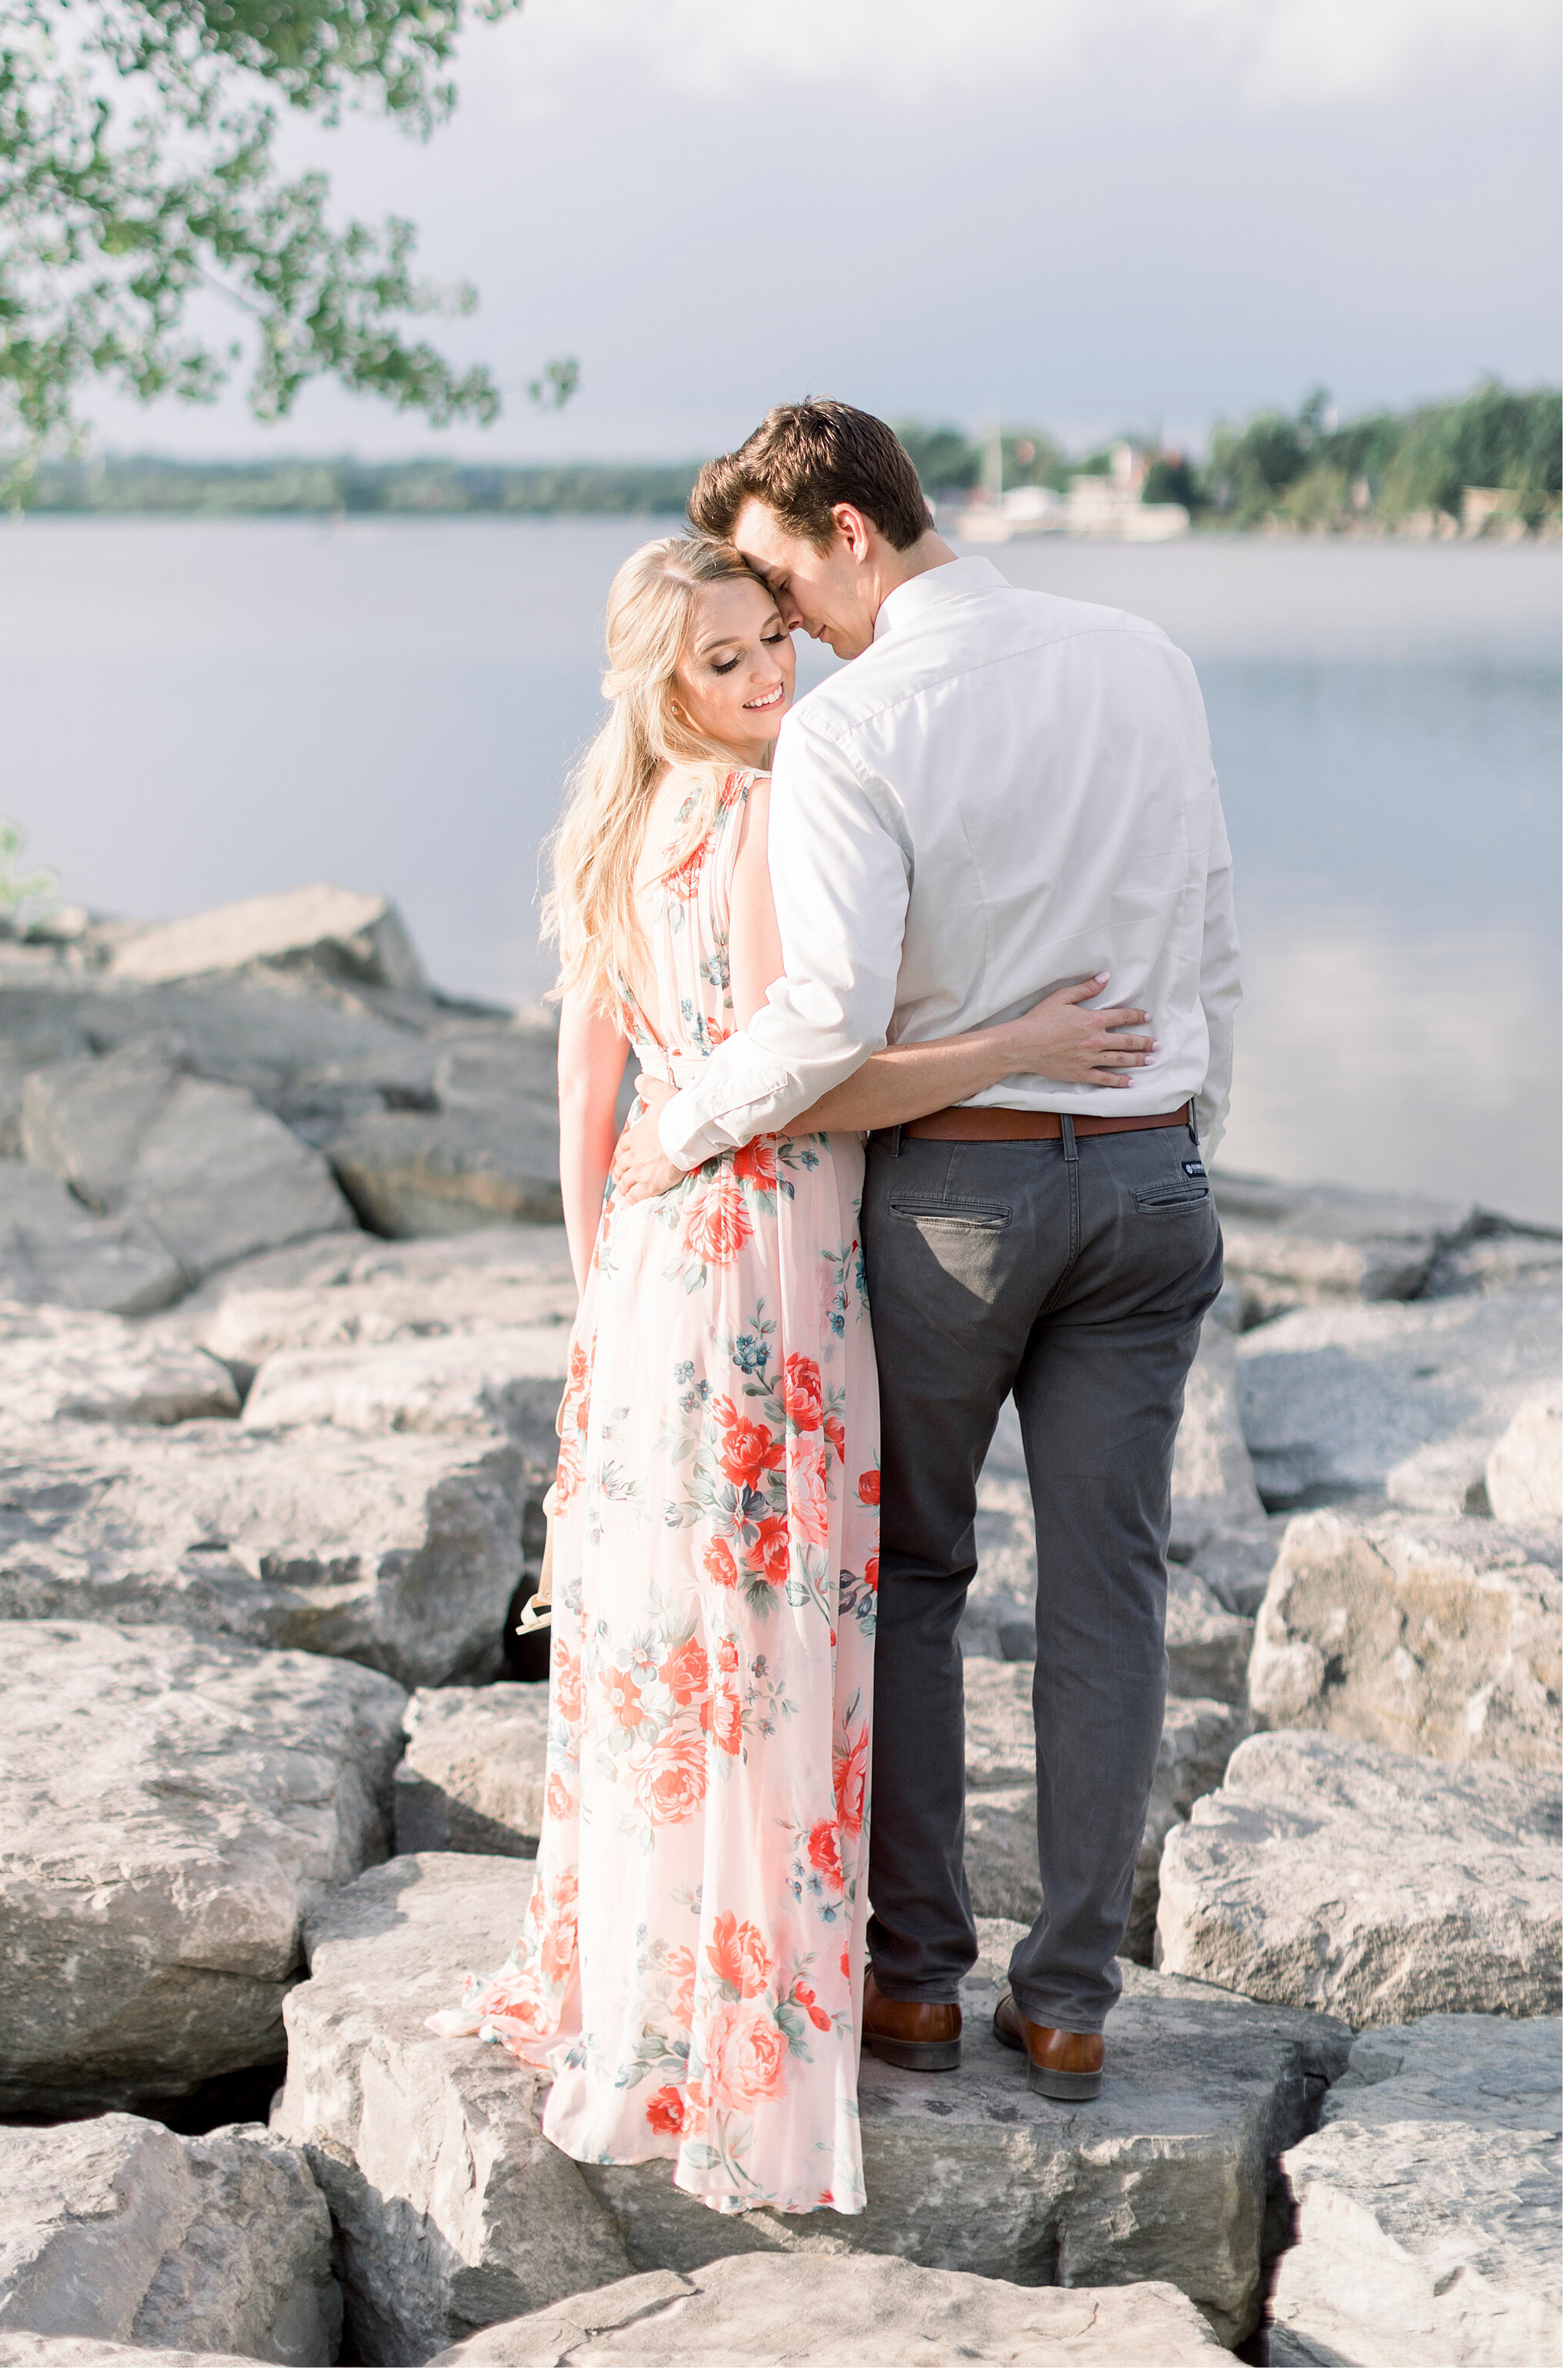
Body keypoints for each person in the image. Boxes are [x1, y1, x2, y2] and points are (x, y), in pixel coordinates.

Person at [433, 528, 1156, 2215]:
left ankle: (659, 1984)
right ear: (660, 684)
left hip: (645, 1270)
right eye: (725, 662)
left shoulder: (609, 830)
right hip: (761, 1258)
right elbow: (800, 1078)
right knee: (764, 1636)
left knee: (675, 1640)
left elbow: (584, 1106)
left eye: (770, 641)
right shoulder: (764, 813)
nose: (770, 678)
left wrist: (592, 1305)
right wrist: (1017, 1049)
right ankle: (752, 2028)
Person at [612, 402, 1238, 2106]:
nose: (778, 620)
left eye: (770, 574)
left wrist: (678, 1125)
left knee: (909, 1579)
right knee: (1109, 1594)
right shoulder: (1143, 659)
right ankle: (1069, 2003)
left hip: (953, 1203)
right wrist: (1187, 1132)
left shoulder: (854, 727)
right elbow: (1205, 926)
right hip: (1146, 1183)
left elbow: (819, 1020)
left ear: (844, 532)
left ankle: (910, 1986)